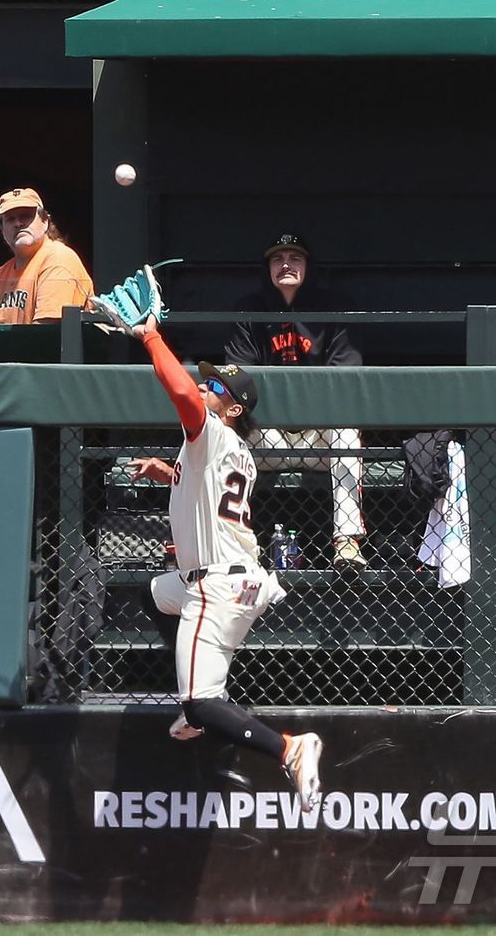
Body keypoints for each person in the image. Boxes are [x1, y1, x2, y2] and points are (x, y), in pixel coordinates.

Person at [125, 312, 324, 813]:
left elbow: (185, 397)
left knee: (197, 702)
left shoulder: (213, 429)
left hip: (217, 588)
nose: (204, 385)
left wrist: (151, 337)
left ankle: (289, 747)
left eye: (214, 385)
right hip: (233, 577)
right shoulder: (234, 450)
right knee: (154, 593)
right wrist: (169, 473)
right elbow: (209, 490)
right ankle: (203, 700)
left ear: (232, 408)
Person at [225, 232, 368, 568]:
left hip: (318, 436)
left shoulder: (334, 308)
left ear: (307, 266)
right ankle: (231, 542)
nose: (285, 264)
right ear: (268, 268)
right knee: (227, 434)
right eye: (277, 259)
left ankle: (346, 542)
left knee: (347, 431)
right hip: (268, 435)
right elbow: (241, 378)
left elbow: (344, 378)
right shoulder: (250, 310)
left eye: (295, 258)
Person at [0, 187, 93, 324]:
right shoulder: (1, 273)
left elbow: (45, 332)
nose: (18, 223)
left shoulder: (58, 258)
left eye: (26, 216)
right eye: (10, 219)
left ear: (45, 221)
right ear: (2, 229)